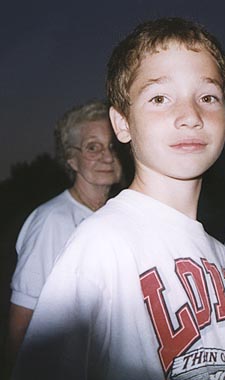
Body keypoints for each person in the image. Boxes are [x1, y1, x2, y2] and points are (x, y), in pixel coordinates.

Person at [12, 19, 225, 380]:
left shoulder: (220, 254)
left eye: (207, 97)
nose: (191, 116)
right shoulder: (102, 243)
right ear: (122, 124)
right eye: (160, 98)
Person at [8, 100, 122, 360]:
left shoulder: (116, 216)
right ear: (71, 159)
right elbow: (21, 325)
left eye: (113, 147)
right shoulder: (51, 221)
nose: (107, 156)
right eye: (93, 147)